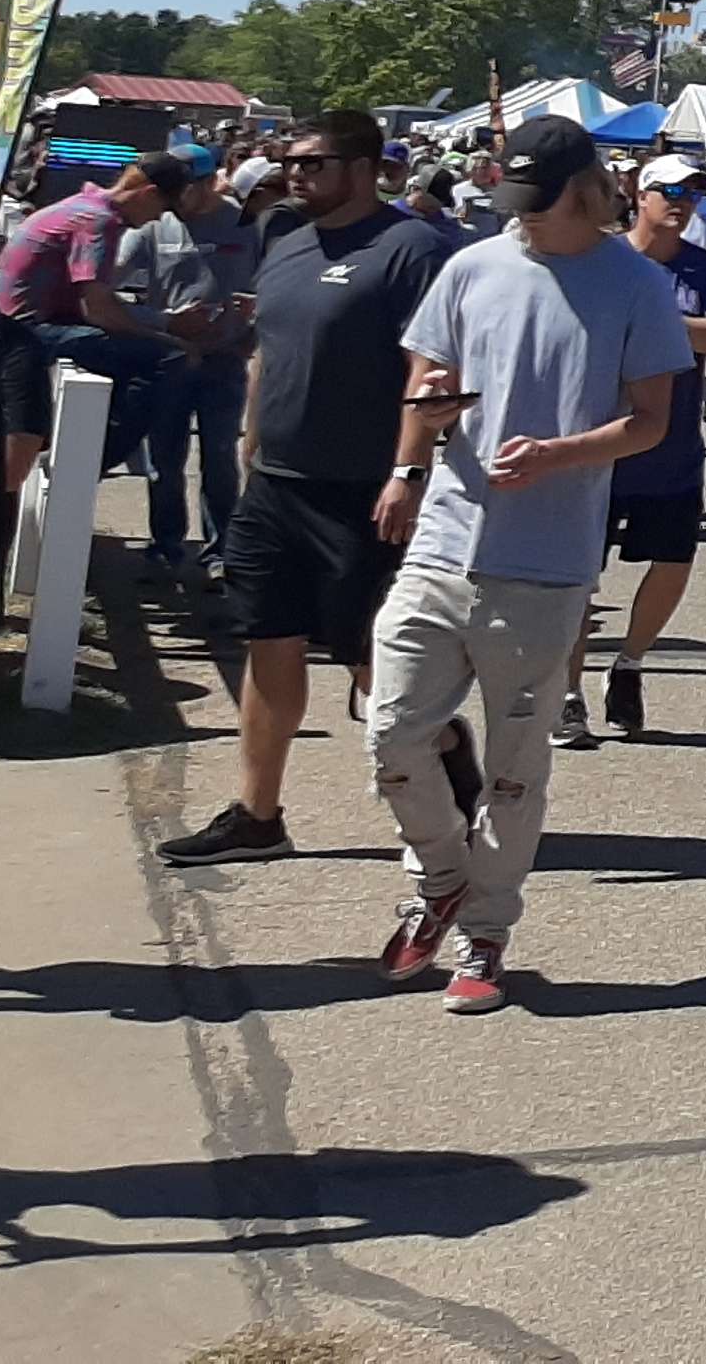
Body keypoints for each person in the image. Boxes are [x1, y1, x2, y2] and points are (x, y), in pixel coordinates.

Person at [361, 116, 693, 1015]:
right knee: (390, 734)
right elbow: (427, 374)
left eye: (537, 204)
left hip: (545, 562)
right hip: (443, 537)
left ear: (585, 191)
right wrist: (411, 452)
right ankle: (439, 879)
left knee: (514, 764)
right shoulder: (474, 264)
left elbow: (651, 420)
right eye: (512, 201)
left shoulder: (634, 284)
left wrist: (558, 454)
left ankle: (485, 933)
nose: (523, 219)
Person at [155, 113, 468, 868]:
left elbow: (430, 374)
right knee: (269, 639)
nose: (295, 176)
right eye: (288, 162)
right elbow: (268, 349)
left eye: (314, 163)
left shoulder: (413, 250)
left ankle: (461, 793)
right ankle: (258, 816)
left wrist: (409, 472)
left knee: (377, 662)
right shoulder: (288, 243)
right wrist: (250, 445)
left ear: (365, 168)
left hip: (365, 490)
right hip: (278, 486)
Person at [571, 157, 706, 744]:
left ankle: (629, 664)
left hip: (671, 443)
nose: (681, 201)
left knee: (672, 562)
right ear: (636, 196)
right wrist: (679, 323)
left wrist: (656, 314)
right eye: (668, 191)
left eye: (692, 193)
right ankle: (568, 693)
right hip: (598, 440)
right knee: (578, 574)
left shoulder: (703, 267)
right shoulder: (604, 258)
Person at [0, 151, 182, 512]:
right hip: (25, 334)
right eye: (162, 208)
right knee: (164, 360)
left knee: (130, 353)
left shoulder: (81, 204)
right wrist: (169, 337)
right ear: (149, 193)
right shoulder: (99, 222)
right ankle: (88, 462)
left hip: (19, 326)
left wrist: (160, 322)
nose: (156, 219)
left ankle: (84, 446)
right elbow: (98, 310)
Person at [126, 150, 262, 587]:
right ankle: (165, 545)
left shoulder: (245, 224)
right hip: (169, 355)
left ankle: (220, 551)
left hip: (224, 359)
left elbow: (272, 283)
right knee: (164, 459)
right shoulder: (156, 223)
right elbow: (115, 272)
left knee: (220, 458)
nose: (177, 200)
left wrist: (252, 331)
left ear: (208, 182)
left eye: (184, 189)